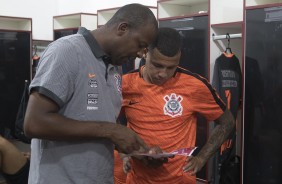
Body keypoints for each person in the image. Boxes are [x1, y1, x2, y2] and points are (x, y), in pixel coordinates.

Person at [23, 3, 158, 184]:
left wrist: (134, 148)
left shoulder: (115, 66)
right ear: (122, 28)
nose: (141, 54)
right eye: (140, 45)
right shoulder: (67, 51)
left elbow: (96, 121)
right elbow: (34, 123)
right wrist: (111, 131)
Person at [115, 27, 236, 184]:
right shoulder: (125, 85)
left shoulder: (194, 86)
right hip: (138, 178)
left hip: (179, 179)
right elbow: (109, 123)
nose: (163, 73)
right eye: (157, 65)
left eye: (171, 67)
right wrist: (125, 154)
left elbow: (227, 122)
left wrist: (201, 158)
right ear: (145, 53)